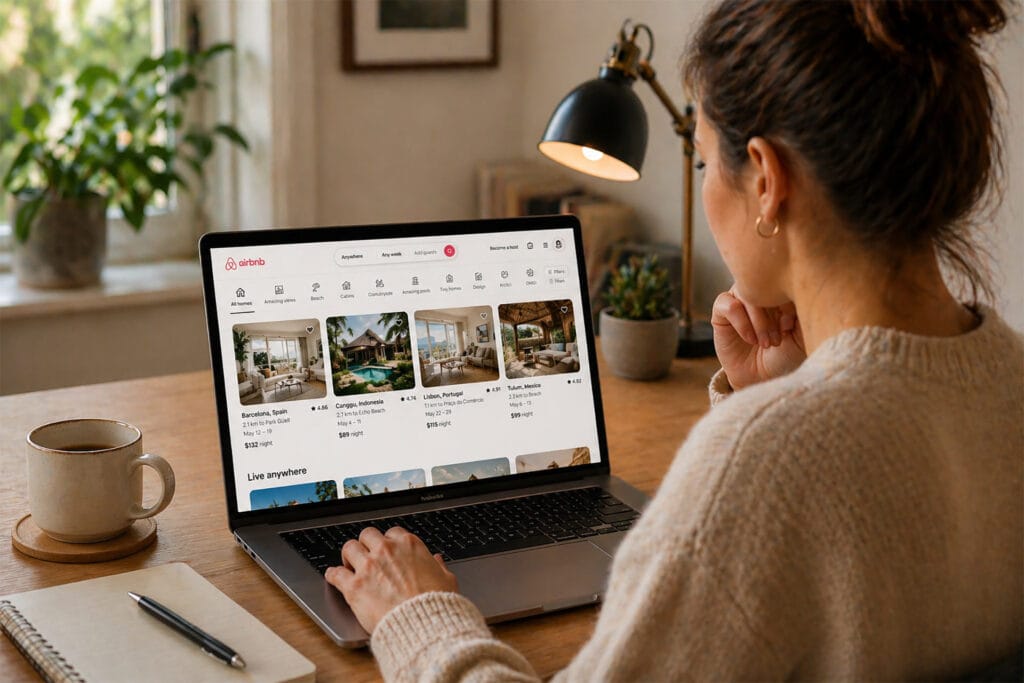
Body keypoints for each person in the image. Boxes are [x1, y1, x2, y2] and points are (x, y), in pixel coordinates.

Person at [324, 0, 1023, 679]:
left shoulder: (760, 463)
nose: (704, 187)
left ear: (768, 181)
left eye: (705, 165)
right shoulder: (1010, 378)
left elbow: (786, 484)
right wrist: (784, 395)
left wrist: (417, 612)